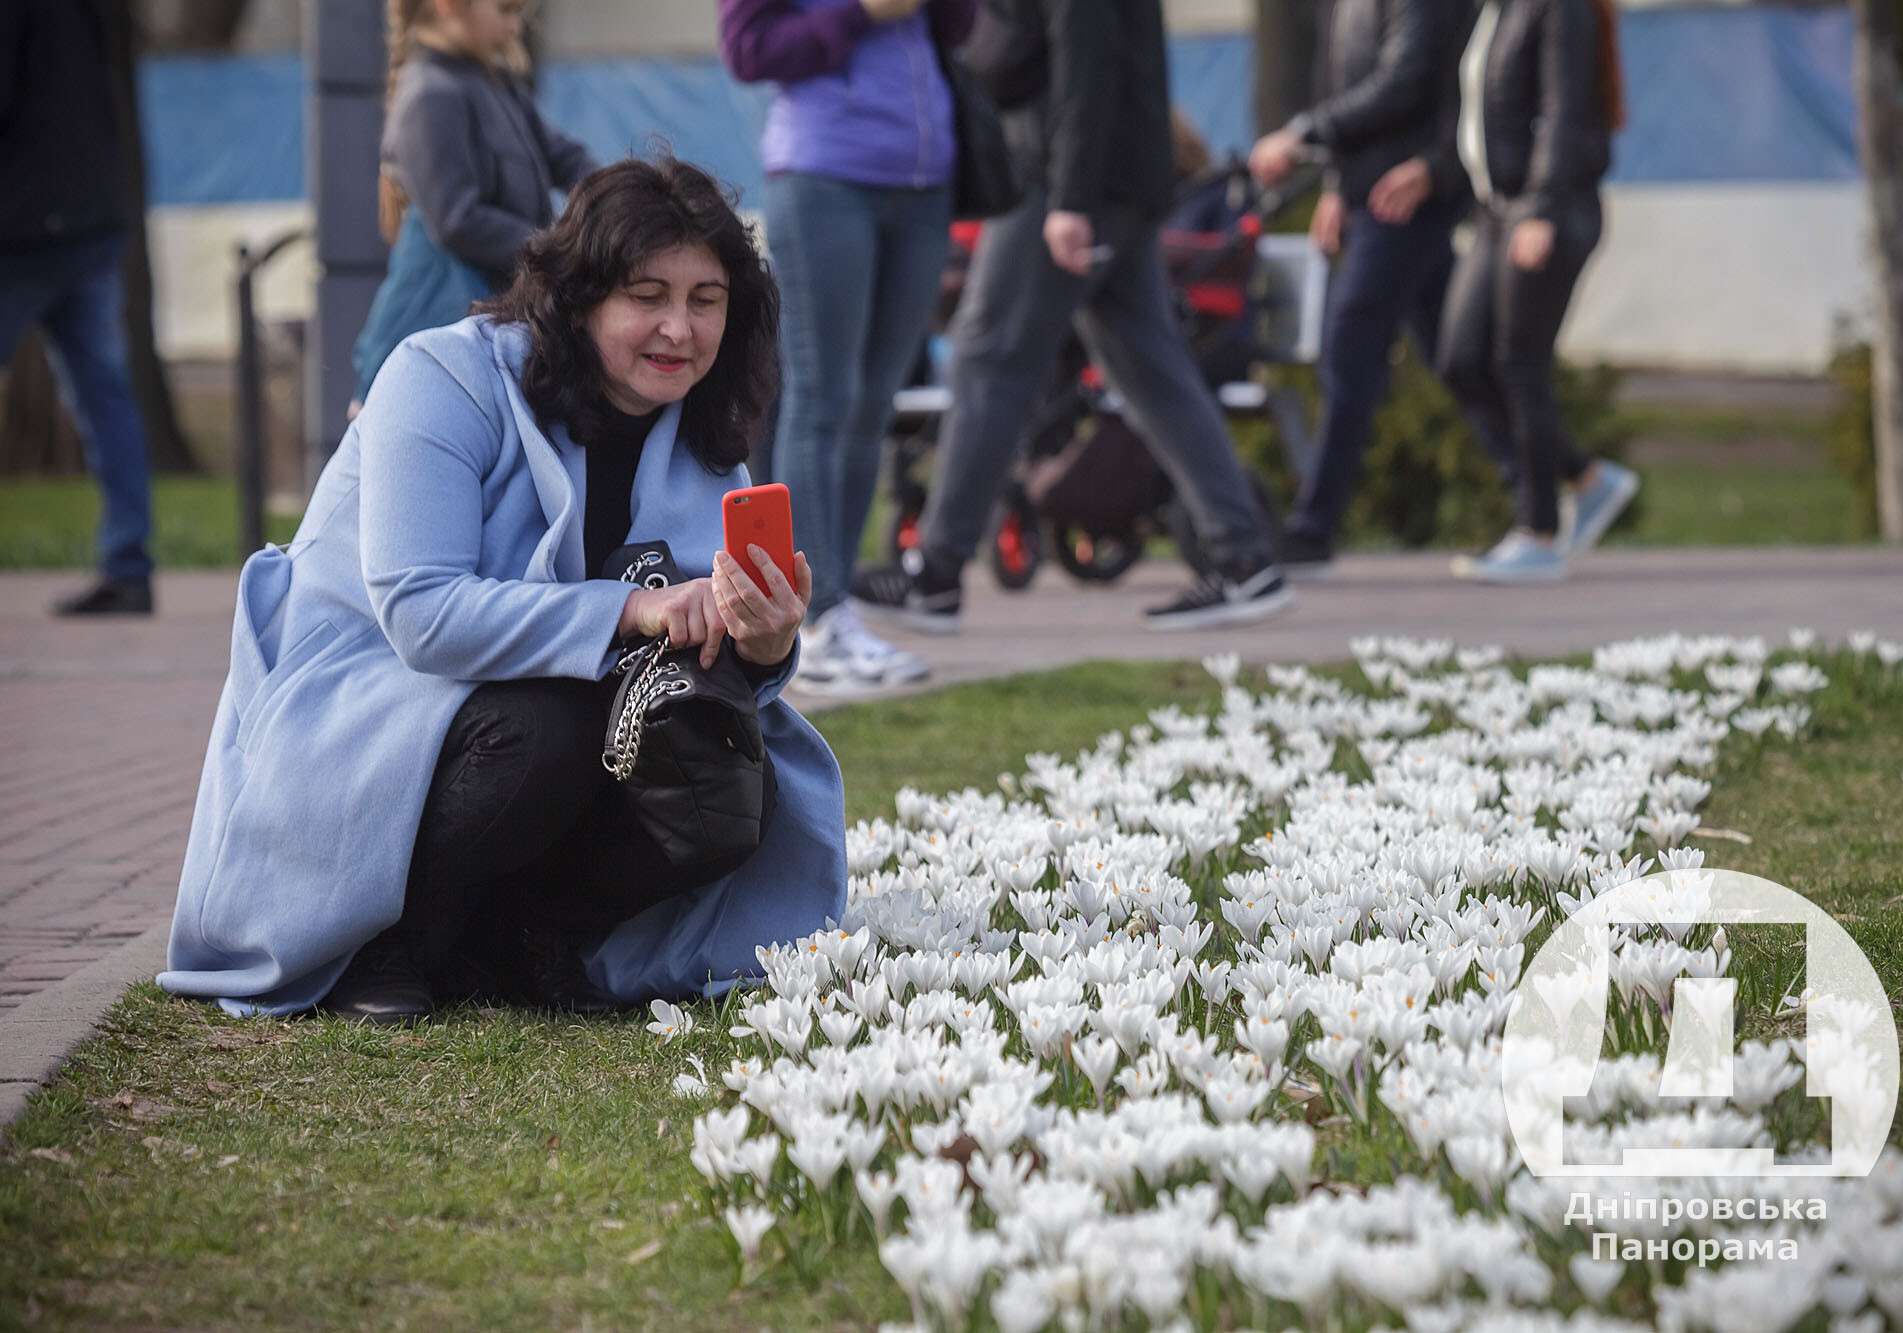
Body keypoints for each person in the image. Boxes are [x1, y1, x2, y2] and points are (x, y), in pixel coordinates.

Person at [157, 158, 845, 1024]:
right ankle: (381, 937)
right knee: (552, 728)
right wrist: (633, 609)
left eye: (706, 299)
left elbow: (702, 653)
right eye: (647, 294)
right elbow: (420, 611)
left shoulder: (706, 442)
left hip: (530, 715)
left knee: (724, 762)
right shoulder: (440, 377)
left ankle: (529, 938)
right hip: (361, 703)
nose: (679, 327)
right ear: (581, 295)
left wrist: (764, 639)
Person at [852, 0, 1293, 633]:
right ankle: (1244, 557)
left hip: (1065, 182)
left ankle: (935, 575)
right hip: (1106, 180)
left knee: (987, 356)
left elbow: (1088, 64)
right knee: (1150, 370)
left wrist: (1071, 199)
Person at [719, 0, 978, 696]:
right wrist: (860, 11)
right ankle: (811, 614)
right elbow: (747, 49)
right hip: (825, 173)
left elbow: (959, 30)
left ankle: (840, 613)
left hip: (923, 181)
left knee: (872, 406)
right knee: (823, 397)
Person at [1248, 0, 1503, 580]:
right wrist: (1338, 183)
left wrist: (1304, 134)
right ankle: (1560, 479)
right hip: (1373, 192)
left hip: (1405, 196)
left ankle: (1313, 529)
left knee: (1349, 346)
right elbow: (1345, 79)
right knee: (1455, 354)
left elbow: (1413, 83)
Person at [1434, 0, 1638, 583]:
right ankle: (1586, 478)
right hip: (1498, 210)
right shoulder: (1497, 10)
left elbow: (1564, 108)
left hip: (1548, 206)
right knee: (1462, 360)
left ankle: (1539, 534)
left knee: (1519, 363)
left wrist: (1542, 207)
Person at [349, 0, 596, 408]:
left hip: (481, 330)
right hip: (428, 346)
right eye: (505, 10)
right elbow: (458, 221)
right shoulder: (429, 94)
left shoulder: (496, 83)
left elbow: (564, 157)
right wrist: (564, 250)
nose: (515, 28)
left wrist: (619, 200)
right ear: (447, 6)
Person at [0, 0, 156, 616]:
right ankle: (129, 566)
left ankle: (127, 564)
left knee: (105, 398)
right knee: (105, 398)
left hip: (20, 227)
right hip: (91, 215)